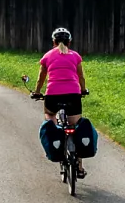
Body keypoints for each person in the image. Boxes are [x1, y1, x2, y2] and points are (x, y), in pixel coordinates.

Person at [32, 27, 88, 176]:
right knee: (76, 127)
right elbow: (81, 76)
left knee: (51, 123)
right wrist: (83, 90)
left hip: (53, 96)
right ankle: (80, 167)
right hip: (73, 96)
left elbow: (41, 77)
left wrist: (37, 92)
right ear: (69, 42)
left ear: (53, 42)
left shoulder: (47, 56)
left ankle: (54, 148)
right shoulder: (75, 56)